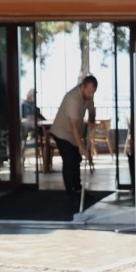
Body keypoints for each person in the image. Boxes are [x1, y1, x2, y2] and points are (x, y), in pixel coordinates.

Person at [49, 75, 97, 219]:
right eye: (89, 92)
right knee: (70, 161)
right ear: (82, 86)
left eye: (93, 92)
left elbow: (91, 109)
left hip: (75, 133)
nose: (90, 95)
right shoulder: (72, 99)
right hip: (63, 132)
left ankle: (78, 189)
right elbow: (73, 126)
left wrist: (91, 121)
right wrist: (82, 146)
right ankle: (71, 194)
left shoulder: (88, 96)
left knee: (76, 160)